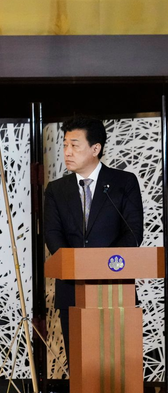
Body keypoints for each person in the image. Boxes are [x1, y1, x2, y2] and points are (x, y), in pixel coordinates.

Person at [44, 117, 143, 364]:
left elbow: (133, 232)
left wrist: (103, 266)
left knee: (117, 361)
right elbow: (53, 235)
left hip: (115, 287)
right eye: (65, 145)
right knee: (80, 362)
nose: (67, 152)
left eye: (74, 145)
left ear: (95, 148)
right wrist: (78, 267)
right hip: (71, 289)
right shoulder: (56, 190)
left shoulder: (123, 183)